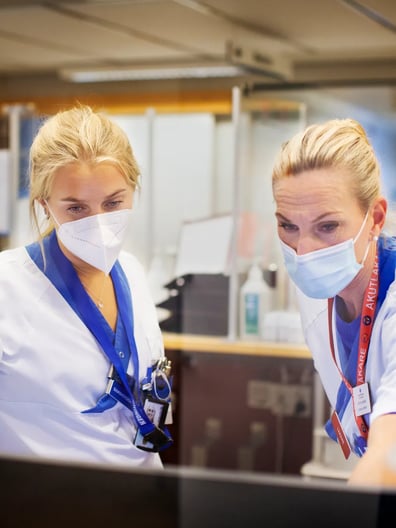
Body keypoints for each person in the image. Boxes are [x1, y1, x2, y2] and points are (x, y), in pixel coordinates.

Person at [0, 105, 173, 468]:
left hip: (141, 498)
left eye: (114, 203)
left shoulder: (132, 272)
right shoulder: (7, 287)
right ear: (44, 204)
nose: (99, 223)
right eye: (76, 208)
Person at [272, 118, 396, 487]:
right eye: (288, 225)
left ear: (375, 219)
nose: (304, 251)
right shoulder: (316, 288)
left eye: (327, 227)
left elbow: (389, 457)